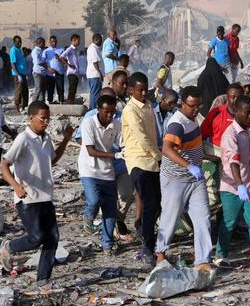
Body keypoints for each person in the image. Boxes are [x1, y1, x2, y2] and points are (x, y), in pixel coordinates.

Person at [0, 101, 74, 290]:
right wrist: (16, 185)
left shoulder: (46, 138)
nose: (46, 122)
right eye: (43, 118)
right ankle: (10, 246)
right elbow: (4, 165)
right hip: (28, 198)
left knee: (52, 239)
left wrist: (65, 140)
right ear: (31, 117)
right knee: (37, 237)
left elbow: (52, 159)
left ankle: (43, 279)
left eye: (48, 118)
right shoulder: (23, 139)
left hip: (45, 196)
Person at [157, 85, 213, 270]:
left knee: (202, 217)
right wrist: (188, 165)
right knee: (170, 218)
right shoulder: (177, 123)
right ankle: (160, 255)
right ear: (183, 104)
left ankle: (203, 261)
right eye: (192, 106)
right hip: (176, 179)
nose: (196, 110)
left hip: (195, 179)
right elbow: (166, 149)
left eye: (198, 106)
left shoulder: (193, 118)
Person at [122, 72, 163, 269]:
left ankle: (146, 233)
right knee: (150, 203)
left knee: (157, 204)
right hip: (139, 161)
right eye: (139, 90)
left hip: (152, 161)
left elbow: (153, 135)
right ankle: (148, 246)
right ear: (130, 90)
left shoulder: (148, 105)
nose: (144, 92)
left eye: (145, 89)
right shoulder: (130, 110)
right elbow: (143, 138)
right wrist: (160, 155)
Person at [216, 96, 250, 264]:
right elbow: (234, 163)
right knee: (229, 223)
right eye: (247, 113)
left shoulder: (248, 131)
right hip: (232, 187)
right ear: (236, 112)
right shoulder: (231, 134)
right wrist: (240, 185)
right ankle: (221, 255)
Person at [78, 95, 122, 255]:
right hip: (89, 169)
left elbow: (122, 142)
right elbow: (90, 150)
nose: (110, 116)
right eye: (106, 112)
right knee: (94, 200)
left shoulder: (116, 124)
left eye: (112, 112)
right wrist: (115, 155)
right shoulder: (89, 123)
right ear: (98, 110)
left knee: (110, 209)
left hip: (108, 171)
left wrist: (125, 150)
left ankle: (107, 244)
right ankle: (88, 216)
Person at [200, 83, 244, 219]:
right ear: (227, 97)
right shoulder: (216, 112)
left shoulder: (245, 114)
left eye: (238, 97)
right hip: (216, 159)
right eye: (232, 97)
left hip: (237, 160)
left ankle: (233, 225)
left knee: (236, 193)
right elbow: (202, 133)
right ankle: (217, 225)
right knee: (216, 195)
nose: (234, 100)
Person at [10, 35, 30, 110]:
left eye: (20, 42)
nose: (19, 44)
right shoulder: (13, 50)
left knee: (25, 90)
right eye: (18, 42)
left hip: (23, 73)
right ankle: (17, 106)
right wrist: (18, 74)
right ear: (14, 42)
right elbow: (13, 63)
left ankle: (24, 106)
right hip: (18, 74)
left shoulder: (19, 50)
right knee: (19, 90)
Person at [86, 33, 104, 110]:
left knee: (94, 93)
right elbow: (95, 62)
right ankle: (93, 109)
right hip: (95, 74)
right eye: (100, 40)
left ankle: (92, 108)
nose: (101, 42)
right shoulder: (93, 48)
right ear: (96, 40)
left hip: (94, 74)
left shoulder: (95, 48)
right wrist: (100, 73)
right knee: (95, 93)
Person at [62, 33, 81, 104]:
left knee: (74, 89)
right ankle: (69, 101)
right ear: (73, 40)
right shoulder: (70, 49)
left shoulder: (75, 50)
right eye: (78, 41)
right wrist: (69, 65)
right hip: (71, 72)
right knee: (72, 88)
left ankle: (72, 101)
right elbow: (62, 57)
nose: (79, 42)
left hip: (76, 73)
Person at [30, 37, 48, 103]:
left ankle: (41, 104)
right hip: (38, 73)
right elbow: (38, 61)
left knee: (43, 91)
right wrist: (47, 66)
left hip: (43, 73)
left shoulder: (41, 50)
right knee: (38, 89)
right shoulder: (35, 51)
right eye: (43, 43)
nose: (44, 44)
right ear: (39, 43)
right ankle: (32, 104)